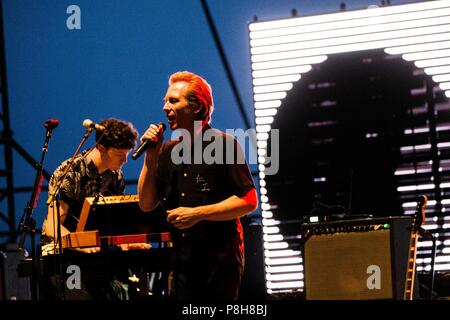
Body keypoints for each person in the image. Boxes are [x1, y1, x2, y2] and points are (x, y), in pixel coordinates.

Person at [137, 71, 258, 300]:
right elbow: (146, 203)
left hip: (219, 261)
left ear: (198, 107)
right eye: (165, 101)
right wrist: (150, 158)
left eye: (173, 101)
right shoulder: (166, 151)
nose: (165, 107)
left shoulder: (223, 143)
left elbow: (248, 200)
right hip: (183, 261)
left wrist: (198, 214)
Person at [40, 118, 148, 299]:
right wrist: (81, 243)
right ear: (102, 148)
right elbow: (51, 227)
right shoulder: (71, 172)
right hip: (65, 258)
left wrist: (126, 243)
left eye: (127, 152)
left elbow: (111, 223)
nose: (125, 159)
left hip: (96, 253)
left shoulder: (115, 177)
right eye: (120, 153)